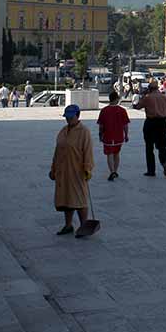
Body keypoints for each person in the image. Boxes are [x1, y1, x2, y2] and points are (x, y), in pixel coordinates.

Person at [49, 104, 94, 236]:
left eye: (71, 117)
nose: (68, 120)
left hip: (77, 171)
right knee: (66, 199)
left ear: (77, 116)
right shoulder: (63, 131)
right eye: (67, 117)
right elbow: (57, 152)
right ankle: (68, 225)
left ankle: (83, 226)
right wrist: (53, 169)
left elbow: (88, 152)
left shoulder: (84, 132)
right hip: (63, 171)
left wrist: (88, 168)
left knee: (79, 199)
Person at [134, 80, 166, 177]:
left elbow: (138, 106)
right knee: (162, 146)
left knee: (149, 147)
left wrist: (142, 96)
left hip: (150, 123)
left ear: (150, 89)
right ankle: (165, 164)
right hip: (161, 123)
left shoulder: (147, 97)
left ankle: (151, 170)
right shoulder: (165, 97)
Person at [97, 91, 130, 181]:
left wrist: (100, 134)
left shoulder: (104, 111)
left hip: (107, 136)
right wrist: (126, 135)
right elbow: (125, 125)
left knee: (109, 154)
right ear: (116, 99)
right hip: (119, 136)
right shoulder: (122, 110)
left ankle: (112, 172)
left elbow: (101, 125)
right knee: (116, 154)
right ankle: (115, 170)